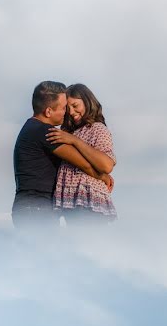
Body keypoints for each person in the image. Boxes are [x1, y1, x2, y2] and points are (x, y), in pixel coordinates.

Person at [12, 81, 113, 229]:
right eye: (64, 107)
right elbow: (83, 164)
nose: (67, 112)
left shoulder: (31, 127)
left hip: (30, 208)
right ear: (48, 112)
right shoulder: (45, 132)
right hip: (37, 208)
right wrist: (103, 177)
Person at [46, 83, 117, 226]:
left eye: (75, 105)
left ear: (87, 102)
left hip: (89, 202)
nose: (71, 112)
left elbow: (107, 165)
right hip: (73, 204)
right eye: (68, 108)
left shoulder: (98, 129)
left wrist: (75, 141)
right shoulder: (71, 132)